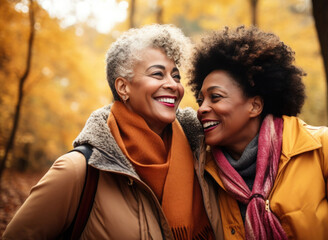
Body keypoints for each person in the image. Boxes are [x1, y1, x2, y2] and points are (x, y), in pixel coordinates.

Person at [3, 24, 215, 240]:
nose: (173, 85)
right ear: (123, 87)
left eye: (176, 76)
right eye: (158, 74)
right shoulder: (78, 171)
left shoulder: (202, 153)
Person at [187, 25, 328, 240]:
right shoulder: (203, 174)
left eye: (216, 97)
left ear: (255, 106)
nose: (202, 108)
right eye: (201, 100)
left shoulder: (323, 148)